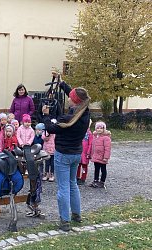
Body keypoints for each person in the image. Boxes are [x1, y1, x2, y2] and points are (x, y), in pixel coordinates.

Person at [42, 76, 91, 232]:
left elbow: (50, 128)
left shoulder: (67, 119)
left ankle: (65, 221)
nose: (69, 99)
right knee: (72, 184)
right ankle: (76, 215)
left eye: (71, 98)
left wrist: (46, 115)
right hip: (76, 153)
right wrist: (62, 83)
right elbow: (75, 95)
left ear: (75, 102)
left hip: (63, 155)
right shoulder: (85, 111)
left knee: (63, 187)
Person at [89, 121, 111, 189]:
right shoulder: (95, 136)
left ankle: (102, 182)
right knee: (96, 169)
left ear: (104, 129)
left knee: (103, 169)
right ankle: (95, 180)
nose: (99, 129)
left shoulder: (106, 138)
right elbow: (93, 147)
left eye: (101, 128)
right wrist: (91, 154)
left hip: (102, 157)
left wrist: (106, 157)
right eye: (97, 128)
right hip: (96, 157)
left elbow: (107, 148)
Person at [77, 120, 93, 185]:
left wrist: (88, 153)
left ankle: (83, 178)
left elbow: (90, 144)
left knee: (84, 166)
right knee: (77, 165)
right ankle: (77, 176)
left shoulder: (89, 133)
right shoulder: (79, 131)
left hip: (85, 153)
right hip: (78, 151)